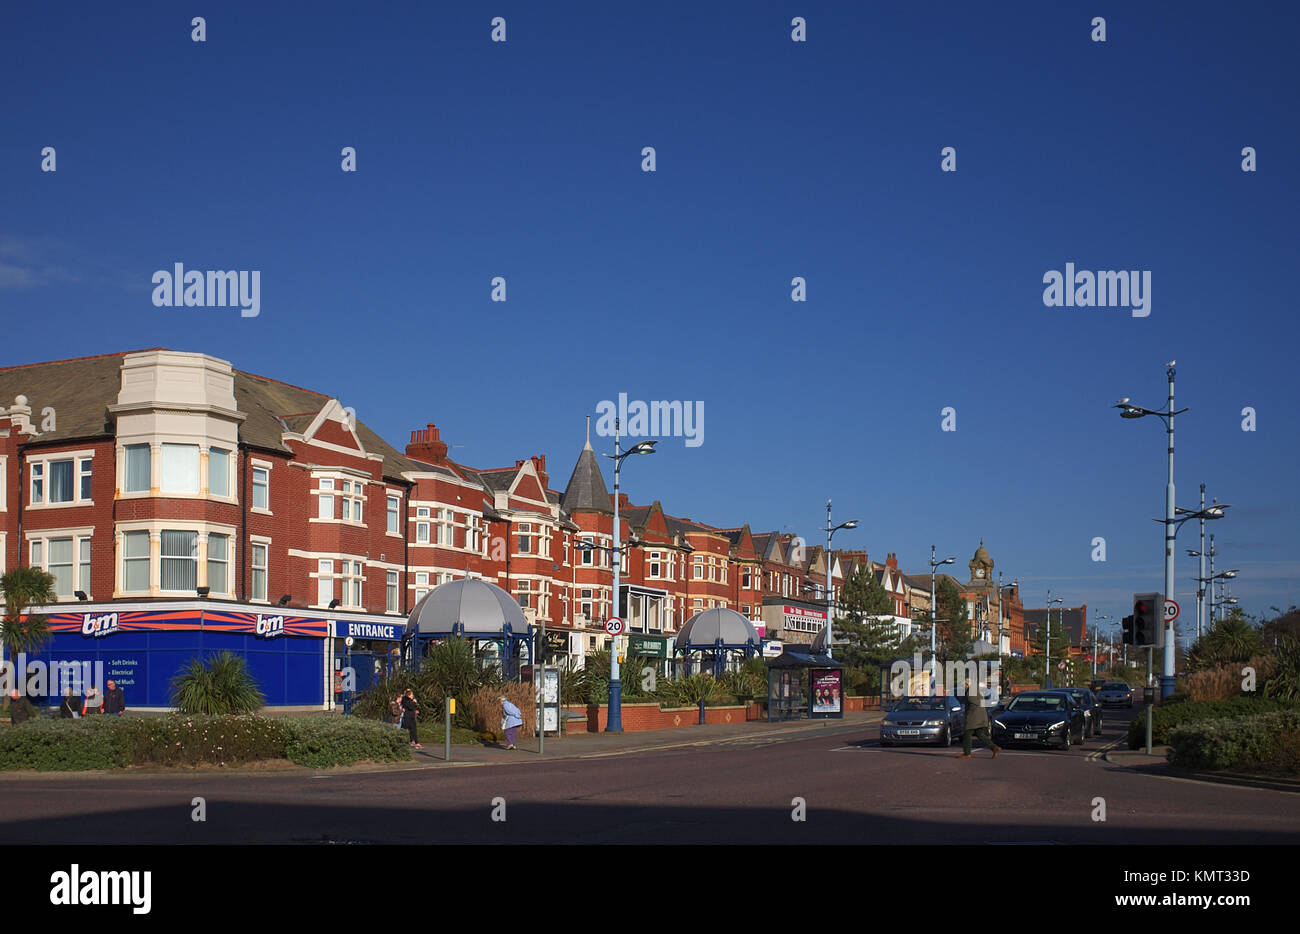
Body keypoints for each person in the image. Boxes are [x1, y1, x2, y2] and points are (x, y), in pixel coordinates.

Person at [958, 678, 999, 759]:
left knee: (967, 733)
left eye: (964, 685)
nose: (964, 687)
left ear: (967, 685)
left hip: (974, 716)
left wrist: (968, 714)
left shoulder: (971, 692)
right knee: (979, 734)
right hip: (981, 715)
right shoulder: (977, 690)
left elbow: (973, 703)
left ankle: (967, 753)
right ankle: (994, 747)